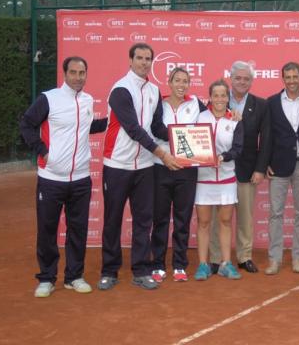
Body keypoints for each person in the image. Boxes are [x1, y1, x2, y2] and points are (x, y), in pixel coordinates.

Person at [19, 56, 107, 297]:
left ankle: (74, 276)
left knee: (77, 229)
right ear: (65, 74)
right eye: (74, 72)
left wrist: (113, 121)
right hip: (51, 178)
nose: (78, 77)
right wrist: (43, 151)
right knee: (47, 229)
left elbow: (85, 127)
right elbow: (26, 124)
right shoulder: (49, 99)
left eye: (82, 73)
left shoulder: (88, 100)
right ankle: (47, 278)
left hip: (80, 178)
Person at [98, 43, 180, 291]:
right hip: (117, 164)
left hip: (144, 166)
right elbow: (133, 129)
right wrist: (162, 154)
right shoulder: (120, 89)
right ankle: (109, 271)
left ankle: (141, 270)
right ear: (130, 60)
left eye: (148, 59)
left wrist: (183, 140)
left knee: (144, 220)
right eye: (140, 58)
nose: (144, 62)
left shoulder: (154, 90)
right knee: (113, 219)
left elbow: (155, 127)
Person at [209, 61, 271, 274]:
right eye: (238, 78)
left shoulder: (261, 105)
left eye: (246, 79)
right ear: (231, 79)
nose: (242, 82)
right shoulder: (218, 103)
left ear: (252, 82)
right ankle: (216, 258)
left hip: (247, 170)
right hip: (219, 169)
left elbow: (266, 140)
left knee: (245, 217)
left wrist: (260, 169)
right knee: (220, 217)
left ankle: (244, 257)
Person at [150, 68, 206, 283]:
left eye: (186, 81)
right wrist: (180, 134)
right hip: (161, 165)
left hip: (187, 169)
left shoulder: (196, 104)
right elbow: (155, 128)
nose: (181, 85)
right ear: (170, 82)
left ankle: (180, 265)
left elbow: (216, 115)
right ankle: (158, 264)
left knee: (182, 220)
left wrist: (232, 114)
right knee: (160, 219)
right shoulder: (159, 103)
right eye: (177, 80)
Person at [265, 62, 299, 275]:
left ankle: (297, 258)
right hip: (278, 165)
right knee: (276, 213)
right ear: (282, 78)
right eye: (288, 77)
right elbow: (267, 135)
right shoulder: (272, 103)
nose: (292, 80)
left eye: (295, 76)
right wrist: (265, 163)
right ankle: (274, 259)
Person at [194, 79, 244, 280]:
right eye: (216, 95)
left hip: (226, 177)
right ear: (210, 97)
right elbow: (192, 143)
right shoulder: (200, 117)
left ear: (228, 97)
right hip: (203, 179)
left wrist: (223, 157)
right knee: (204, 222)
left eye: (224, 95)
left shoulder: (235, 119)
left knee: (225, 221)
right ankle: (203, 265)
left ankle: (225, 263)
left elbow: (238, 149)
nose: (220, 99)